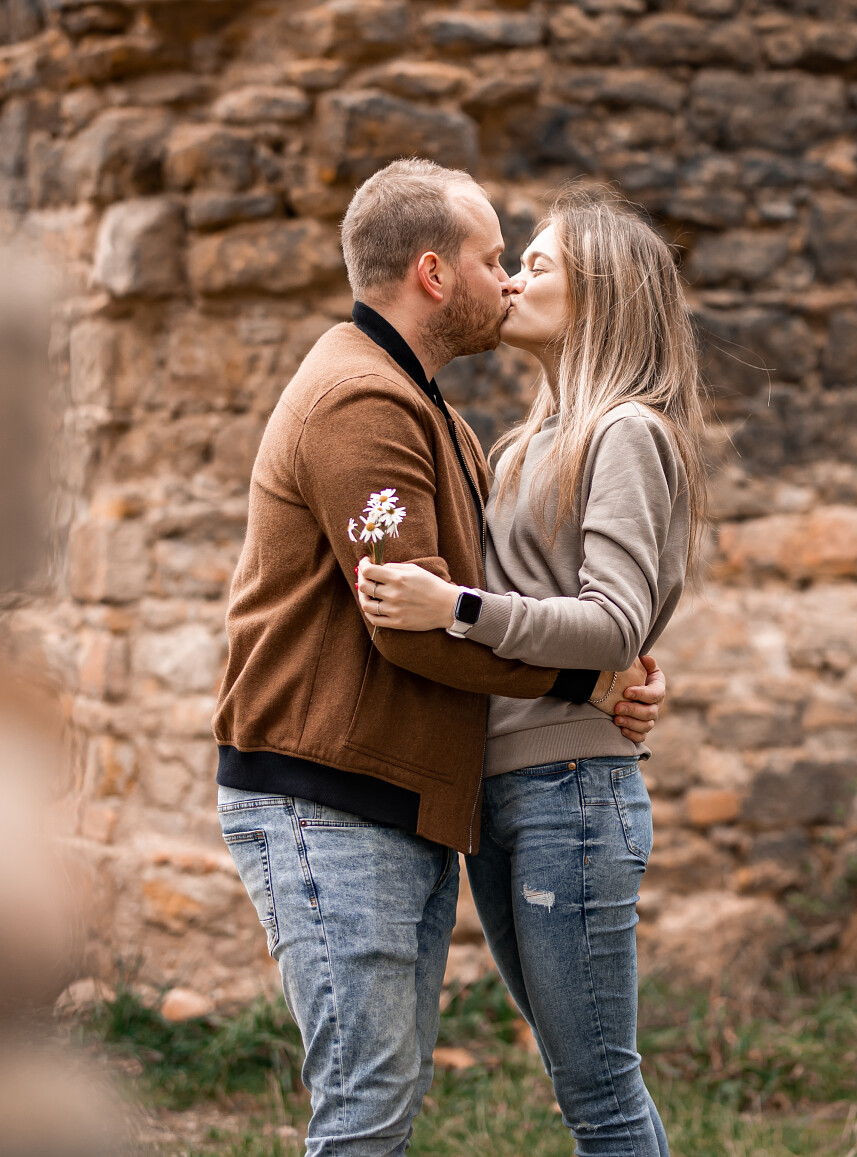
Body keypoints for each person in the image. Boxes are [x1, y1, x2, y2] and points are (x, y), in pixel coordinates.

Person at [211, 159, 666, 1157]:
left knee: (385, 1100)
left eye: (520, 261)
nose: (504, 279)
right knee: (368, 1103)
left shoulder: (442, 421)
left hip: (395, 797)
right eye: (493, 257)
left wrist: (608, 666)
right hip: (328, 790)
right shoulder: (362, 409)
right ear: (431, 273)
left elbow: (540, 605)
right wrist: (581, 679)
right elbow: (410, 618)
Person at [357, 184, 709, 1157]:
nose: (509, 278)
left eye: (538, 265)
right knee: (575, 1085)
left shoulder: (626, 431)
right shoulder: (519, 449)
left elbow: (610, 622)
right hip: (502, 792)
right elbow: (589, 631)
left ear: (599, 298)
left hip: (571, 794)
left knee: (598, 1091)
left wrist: (453, 610)